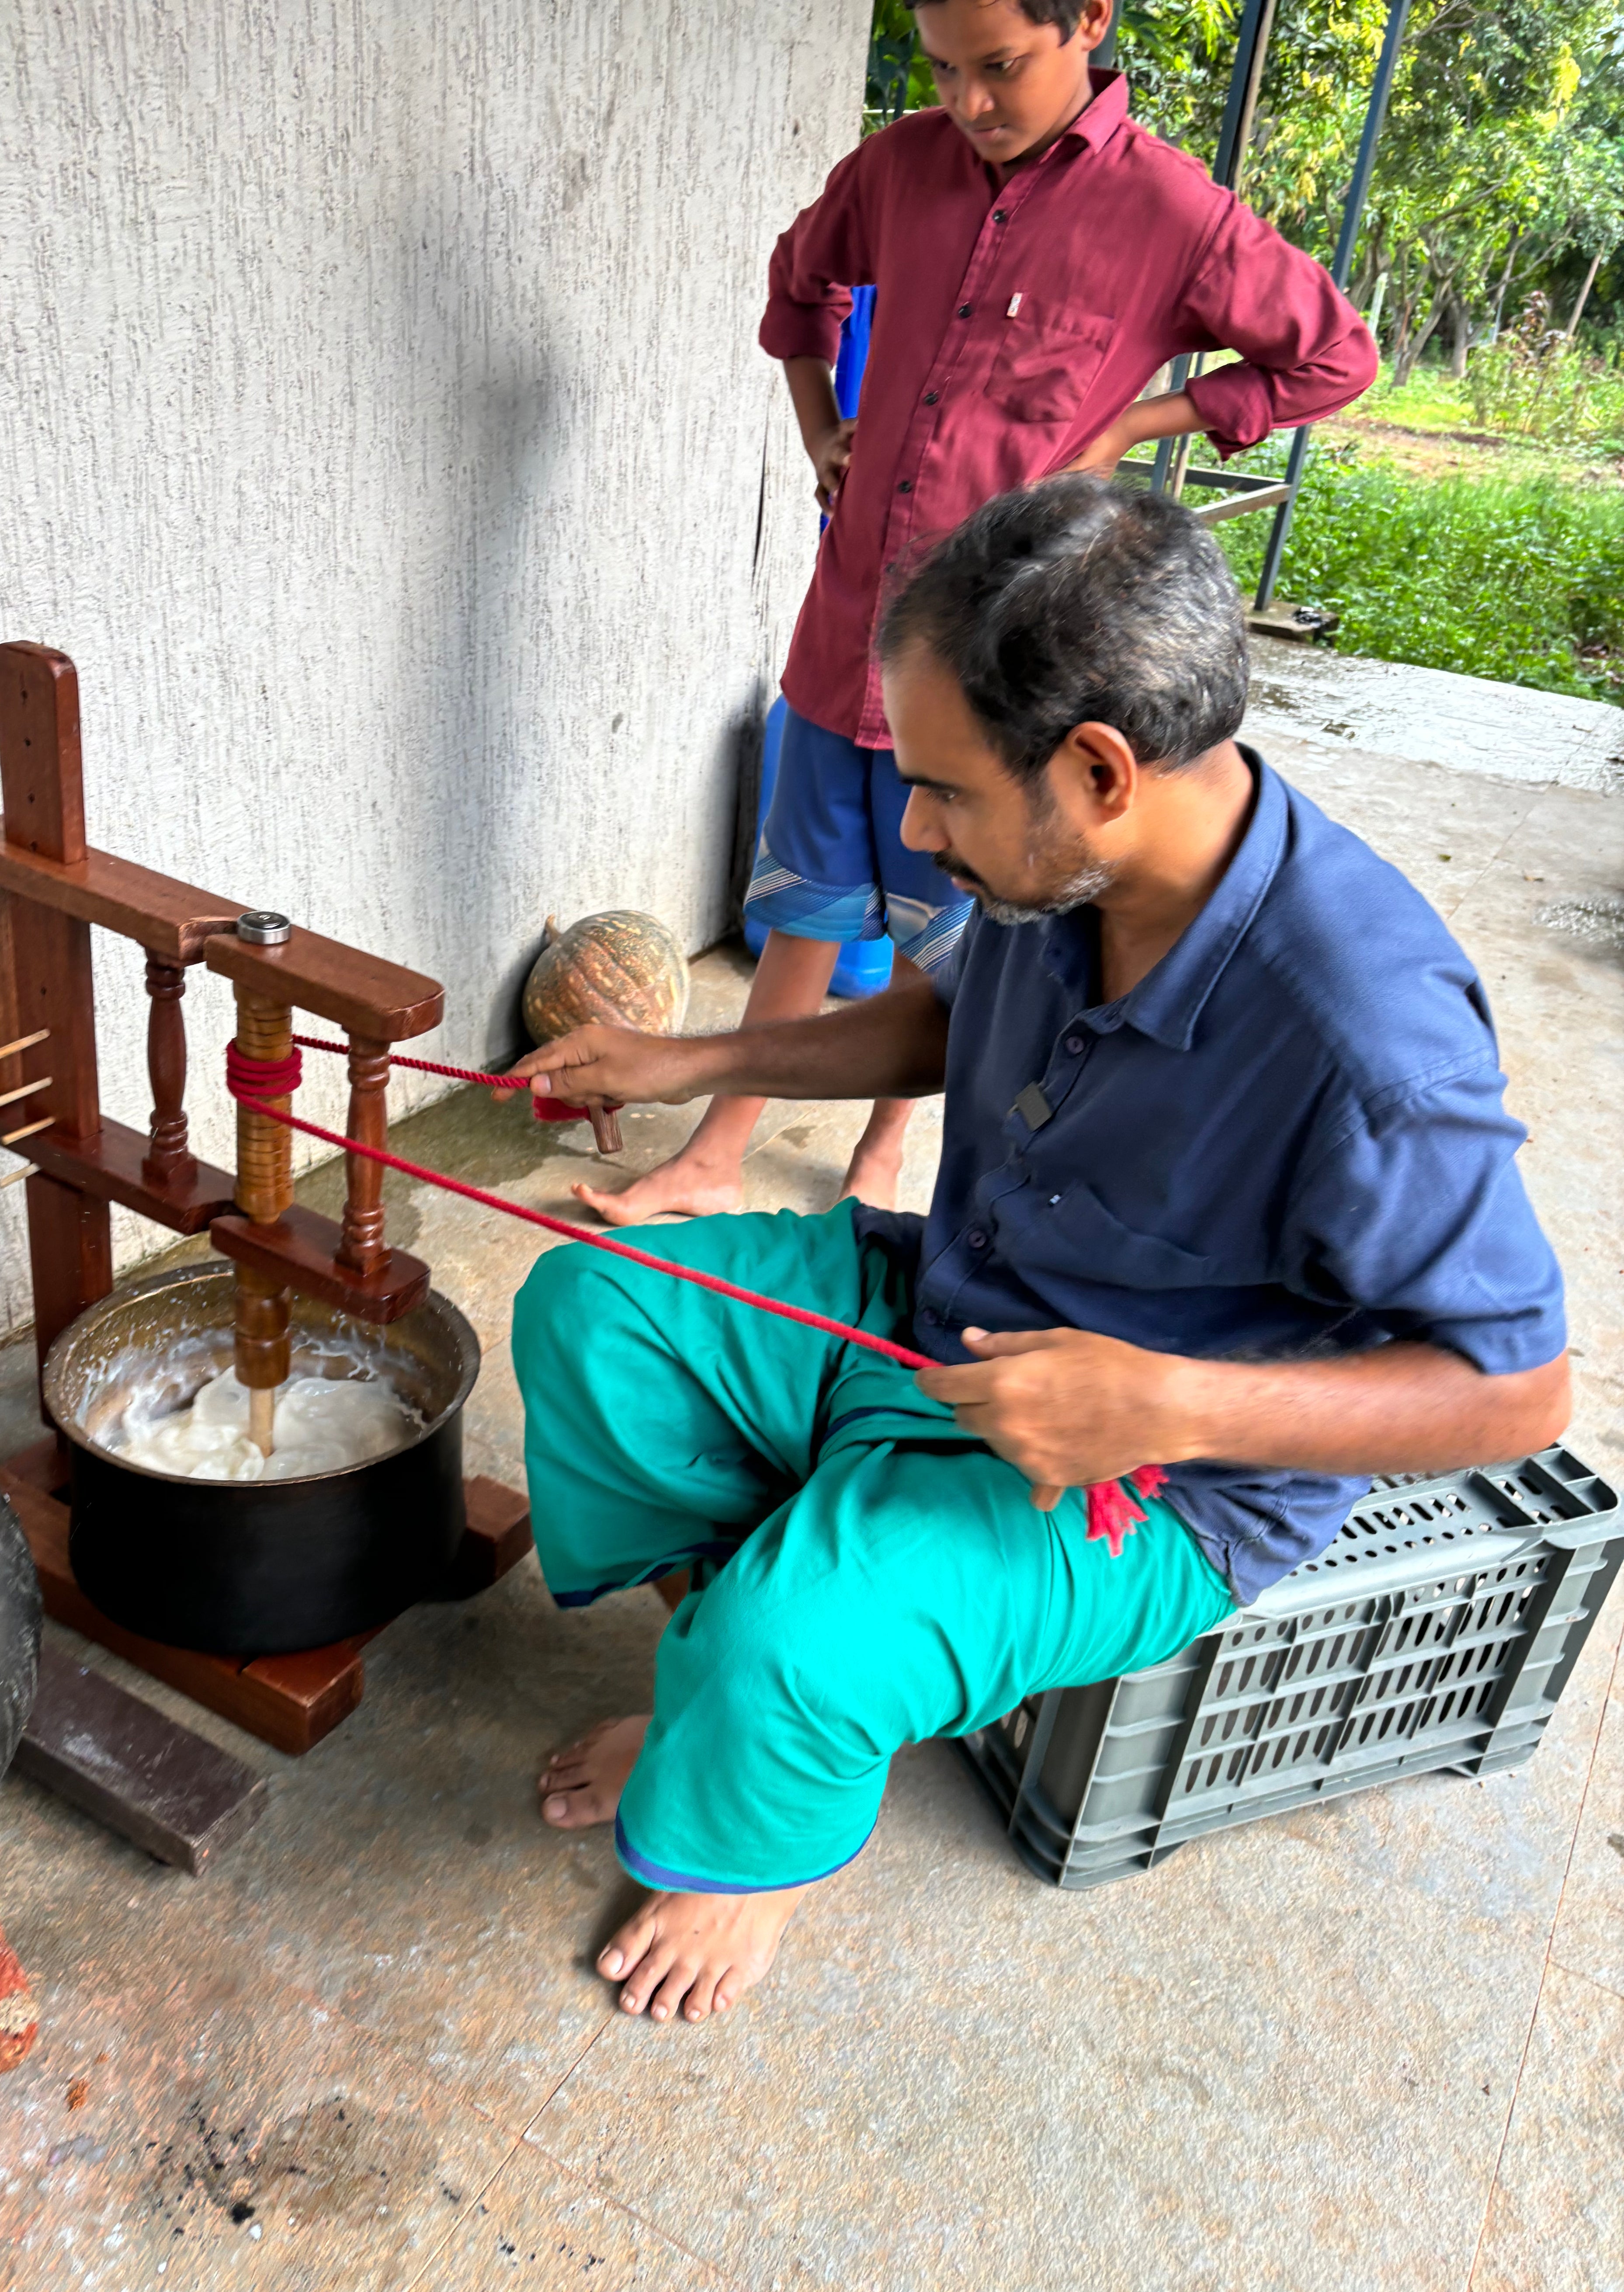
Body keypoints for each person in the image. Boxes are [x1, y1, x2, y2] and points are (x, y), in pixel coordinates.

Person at [510, 479, 1568, 2025]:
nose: (916, 834)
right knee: (593, 1309)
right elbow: (949, 1019)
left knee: (794, 1640)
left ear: (1096, 767)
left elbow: (1516, 1393)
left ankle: (764, 1826)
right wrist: (677, 1066)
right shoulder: (1064, 861)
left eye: (937, 790)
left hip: (1142, 1480)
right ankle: (731, 1693)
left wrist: (1172, 1406)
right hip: (940, 1306)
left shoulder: (1367, 1040)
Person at [576, 0, 1378, 1232]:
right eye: (941, 68)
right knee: (800, 903)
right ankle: (714, 1151)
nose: (967, 102)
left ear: (1088, 21)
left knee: (953, 941)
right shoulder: (899, 167)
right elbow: (801, 288)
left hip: (998, 670)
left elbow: (1334, 358)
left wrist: (1136, 424)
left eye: (997, 67)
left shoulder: (1172, 214)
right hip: (845, 623)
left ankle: (885, 1155)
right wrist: (820, 435)